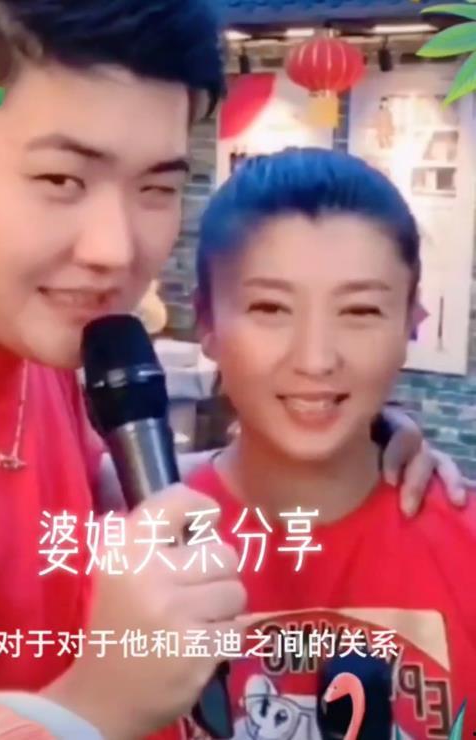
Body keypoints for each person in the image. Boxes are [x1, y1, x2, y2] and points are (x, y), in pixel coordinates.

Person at [0, 0, 467, 735]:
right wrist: (95, 706)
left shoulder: (43, 353)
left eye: (157, 187)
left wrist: (350, 446)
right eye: (61, 179)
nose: (115, 250)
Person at [151, 148, 476, 740]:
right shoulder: (134, 539)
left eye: (360, 310)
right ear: (206, 322)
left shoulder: (463, 545)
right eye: (270, 308)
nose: (316, 359)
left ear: (412, 321)